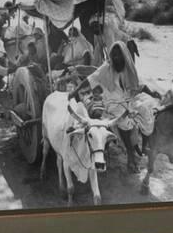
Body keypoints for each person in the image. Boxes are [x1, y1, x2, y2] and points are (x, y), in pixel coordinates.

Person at [69, 41, 161, 173]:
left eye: (119, 56)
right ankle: (130, 154)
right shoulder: (106, 68)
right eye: (115, 56)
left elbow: (139, 85)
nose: (117, 59)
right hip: (111, 103)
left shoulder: (128, 68)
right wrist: (74, 92)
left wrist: (152, 93)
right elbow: (89, 80)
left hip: (128, 100)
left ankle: (145, 145)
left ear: (124, 56)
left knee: (146, 111)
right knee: (123, 120)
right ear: (112, 57)